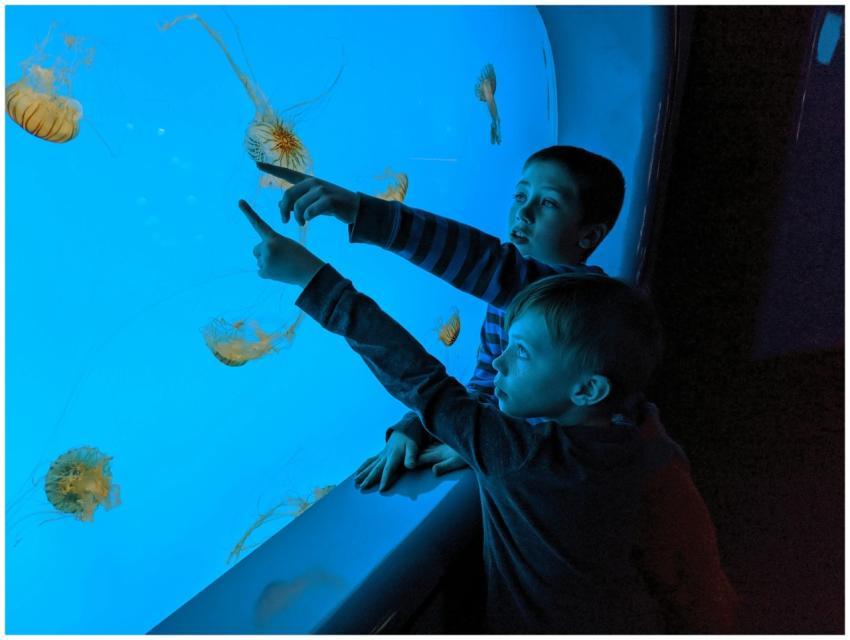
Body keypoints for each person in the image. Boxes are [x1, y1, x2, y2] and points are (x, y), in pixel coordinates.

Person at [256, 152, 738, 632]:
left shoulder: (523, 448)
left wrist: (324, 267)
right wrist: (419, 427)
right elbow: (696, 578)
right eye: (520, 195)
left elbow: (434, 369)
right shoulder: (645, 433)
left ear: (589, 235)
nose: (523, 212)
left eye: (547, 203)